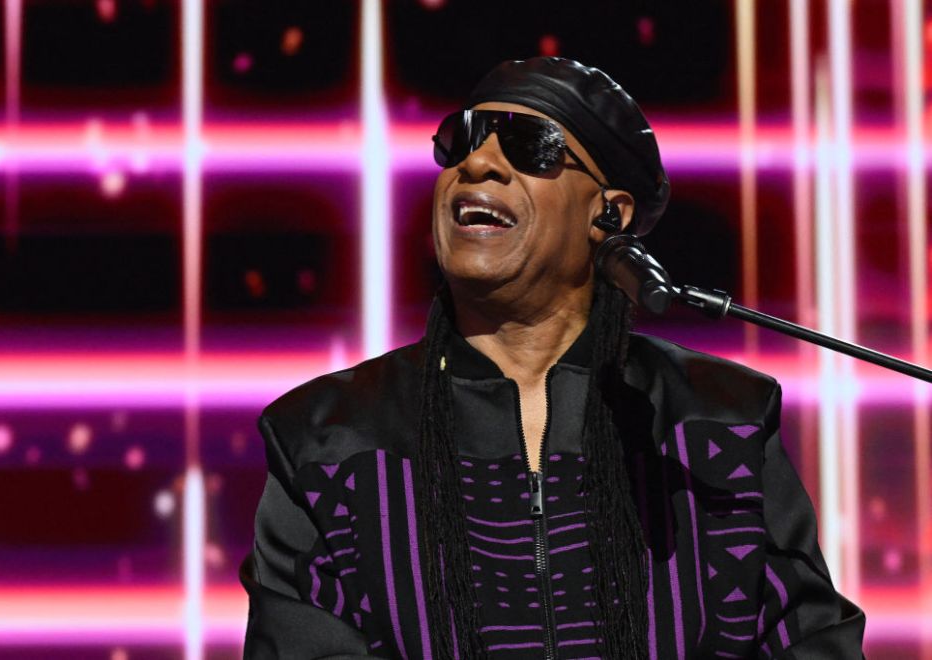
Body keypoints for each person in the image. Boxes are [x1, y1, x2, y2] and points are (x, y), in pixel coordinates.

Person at [239, 57, 866, 659]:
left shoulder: (724, 424)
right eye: (459, 142)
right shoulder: (324, 439)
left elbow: (810, 642)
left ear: (609, 214)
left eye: (528, 145)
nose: (478, 164)